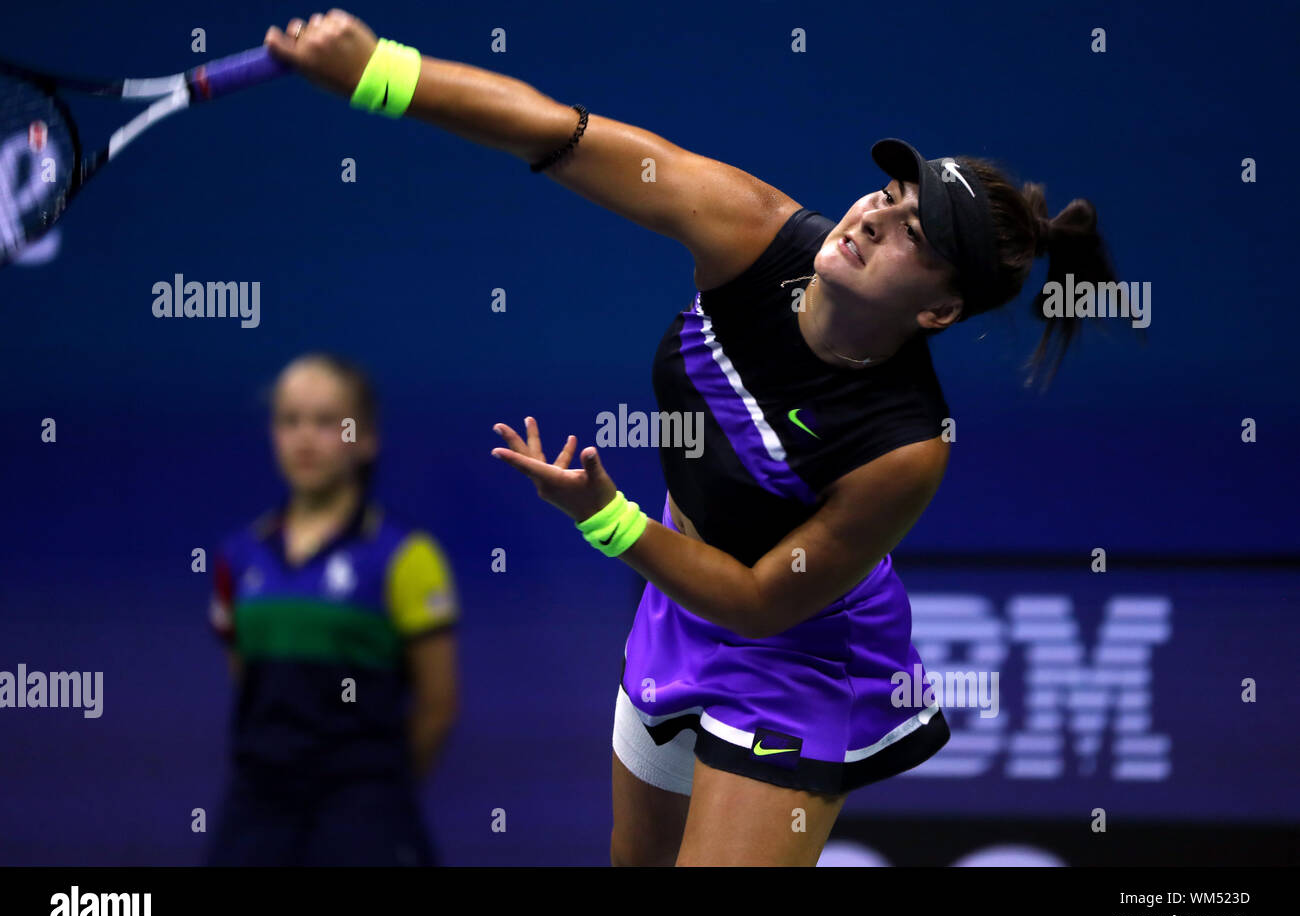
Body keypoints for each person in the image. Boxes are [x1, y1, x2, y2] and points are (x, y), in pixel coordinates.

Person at [263, 11, 1116, 866]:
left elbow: (756, 602)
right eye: (887, 198)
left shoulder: (903, 446)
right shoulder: (750, 229)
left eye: (912, 238)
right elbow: (555, 133)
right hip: (680, 602)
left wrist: (609, 519)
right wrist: (379, 70)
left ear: (938, 311)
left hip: (801, 658)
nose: (869, 222)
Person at [207, 353, 460, 865]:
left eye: (327, 422)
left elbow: (438, 704)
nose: (305, 438)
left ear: (365, 439)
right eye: (290, 420)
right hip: (256, 813)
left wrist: (375, 795)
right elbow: (247, 678)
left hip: (366, 815)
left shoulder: (407, 558)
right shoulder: (238, 556)